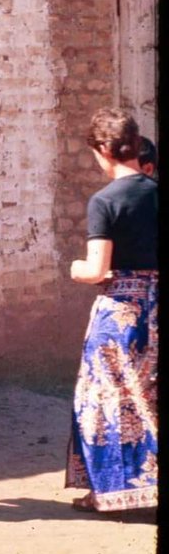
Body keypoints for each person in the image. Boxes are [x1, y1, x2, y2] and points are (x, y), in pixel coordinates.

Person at [66, 107, 158, 514]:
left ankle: (106, 491)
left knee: (103, 400)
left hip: (122, 312)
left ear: (104, 149)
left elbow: (97, 268)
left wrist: (76, 270)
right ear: (136, 146)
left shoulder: (105, 201)